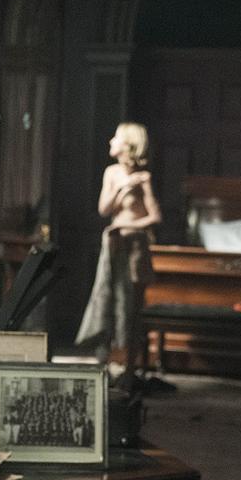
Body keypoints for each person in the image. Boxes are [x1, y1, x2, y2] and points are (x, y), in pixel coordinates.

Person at [74, 122, 161, 386]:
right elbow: (104, 209)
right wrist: (122, 187)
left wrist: (128, 225)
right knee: (105, 299)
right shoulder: (111, 173)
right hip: (113, 245)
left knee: (132, 307)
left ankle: (130, 370)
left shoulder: (144, 177)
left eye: (116, 138)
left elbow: (155, 217)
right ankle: (103, 364)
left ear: (129, 145)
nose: (111, 141)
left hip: (135, 247)